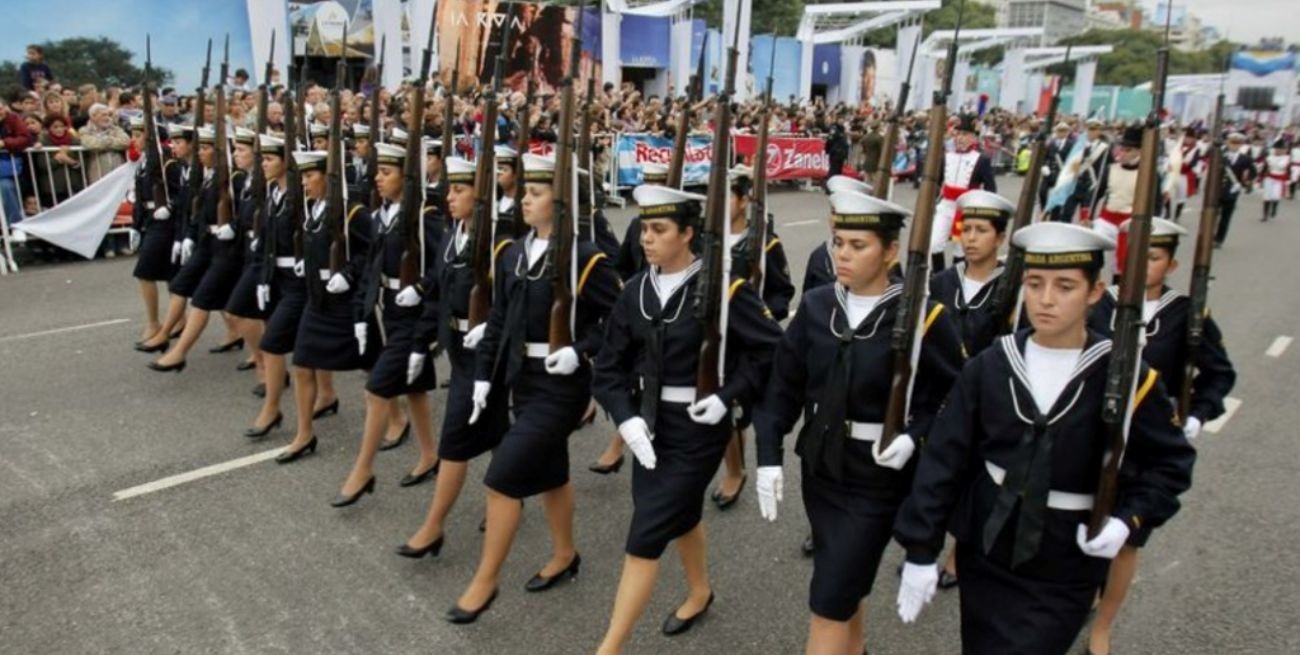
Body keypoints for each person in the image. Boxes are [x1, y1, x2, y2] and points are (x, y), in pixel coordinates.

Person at [893, 222, 1197, 654]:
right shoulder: (991, 365)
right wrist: (921, 548)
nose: (1046, 299)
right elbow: (944, 459)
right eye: (1035, 284)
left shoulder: (1125, 376)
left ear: (1096, 292)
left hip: (1065, 559)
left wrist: (1128, 519)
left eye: (1065, 286)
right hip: (988, 546)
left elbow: (1171, 464)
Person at [754, 189, 962, 655]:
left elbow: (955, 398)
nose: (842, 254)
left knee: (827, 603)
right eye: (838, 242)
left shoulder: (923, 318)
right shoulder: (818, 306)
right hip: (820, 467)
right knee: (840, 577)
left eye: (857, 245)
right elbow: (782, 387)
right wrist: (768, 456)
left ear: (890, 251)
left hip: (877, 479)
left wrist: (915, 435)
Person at [591, 183, 782, 653]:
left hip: (698, 432)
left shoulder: (724, 290)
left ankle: (609, 647)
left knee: (645, 534)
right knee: (679, 514)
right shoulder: (636, 289)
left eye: (659, 229)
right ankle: (699, 591)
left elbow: (770, 350)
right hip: (648, 428)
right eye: (643, 229)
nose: (645, 238)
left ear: (689, 233)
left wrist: (728, 395)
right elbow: (609, 365)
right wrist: (625, 419)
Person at [446, 153, 619, 624]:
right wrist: (484, 374)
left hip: (562, 388)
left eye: (536, 193)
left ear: (561, 205)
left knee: (502, 479)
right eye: (525, 192)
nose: (524, 199)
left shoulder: (585, 258)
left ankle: (485, 581)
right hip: (523, 381)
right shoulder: (515, 252)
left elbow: (619, 322)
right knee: (552, 473)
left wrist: (582, 348)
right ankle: (565, 554)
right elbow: (500, 317)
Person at [1083, 217, 1236, 655]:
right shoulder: (1101, 303)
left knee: (1127, 535)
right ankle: (1085, 593)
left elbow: (1219, 373)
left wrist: (1198, 415)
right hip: (1092, 432)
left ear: (1171, 264)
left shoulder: (1186, 313)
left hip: (1146, 443)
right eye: (1136, 255)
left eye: (1153, 258)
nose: (1141, 265)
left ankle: (1104, 624)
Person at [398, 155, 513, 559]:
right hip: (460, 352)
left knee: (454, 441)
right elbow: (441, 295)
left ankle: (432, 527)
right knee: (498, 427)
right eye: (450, 189)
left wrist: (492, 325)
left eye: (460, 190)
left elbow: (516, 303)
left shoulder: (502, 243)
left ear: (480, 197)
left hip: (490, 354)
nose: (449, 197)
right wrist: (420, 342)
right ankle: (506, 494)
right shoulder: (453, 235)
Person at [333, 141, 442, 506]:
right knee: (414, 389)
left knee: (376, 390)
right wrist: (362, 313)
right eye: (377, 171)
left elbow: (446, 264)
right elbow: (372, 264)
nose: (377, 178)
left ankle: (363, 470)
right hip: (391, 311)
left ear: (405, 178)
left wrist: (422, 287)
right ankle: (429, 454)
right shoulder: (385, 214)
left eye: (386, 172)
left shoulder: (423, 215)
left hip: (416, 316)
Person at [277, 148, 377, 466]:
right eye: (302, 177)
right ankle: (304, 434)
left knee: (373, 366)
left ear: (328, 177)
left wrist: (348, 274)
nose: (304, 183)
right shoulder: (314, 209)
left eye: (309, 176)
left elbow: (372, 252)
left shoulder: (351, 212)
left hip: (347, 303)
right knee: (302, 363)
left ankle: (398, 418)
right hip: (318, 300)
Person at [711, 164, 795, 509]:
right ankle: (732, 464)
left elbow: (782, 292)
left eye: (726, 196)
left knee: (735, 406)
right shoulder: (708, 240)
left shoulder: (765, 244)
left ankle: (735, 471)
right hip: (714, 336)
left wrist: (762, 314)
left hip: (747, 338)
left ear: (744, 200)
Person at [148, 126, 246, 372]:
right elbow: (199, 210)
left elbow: (250, 212)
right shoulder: (209, 175)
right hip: (206, 241)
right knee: (180, 285)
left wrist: (234, 226)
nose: (199, 152)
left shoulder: (235, 179)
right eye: (199, 147)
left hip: (227, 247)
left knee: (204, 300)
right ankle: (164, 333)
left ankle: (178, 351)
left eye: (205, 148)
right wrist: (189, 236)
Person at [929, 190, 1016, 357]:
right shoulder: (941, 283)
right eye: (966, 229)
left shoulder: (1011, 288)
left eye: (981, 230)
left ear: (1000, 238)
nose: (971, 238)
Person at [223, 128, 274, 401]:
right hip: (246, 248)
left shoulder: (265, 182)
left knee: (238, 311)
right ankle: (264, 362)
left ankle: (266, 366)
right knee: (251, 313)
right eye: (235, 149)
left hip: (264, 252)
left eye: (241, 150)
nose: (236, 155)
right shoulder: (247, 179)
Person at [129, 116, 182, 345]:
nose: (134, 139)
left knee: (145, 272)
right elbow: (141, 197)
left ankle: (154, 323)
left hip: (165, 222)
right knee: (170, 274)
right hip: (151, 220)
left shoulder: (166, 162)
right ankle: (179, 320)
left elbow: (182, 193)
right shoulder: (144, 162)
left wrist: (169, 206)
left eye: (138, 134)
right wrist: (136, 226)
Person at [933, 114, 996, 271]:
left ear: (974, 138)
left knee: (960, 248)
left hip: (966, 209)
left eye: (965, 134)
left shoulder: (981, 160)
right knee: (934, 244)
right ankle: (939, 275)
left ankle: (956, 279)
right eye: (959, 134)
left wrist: (984, 212)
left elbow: (991, 189)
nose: (961, 138)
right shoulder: (946, 157)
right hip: (946, 206)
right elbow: (937, 182)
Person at [1216, 132, 1256, 247]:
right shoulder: (1220, 155)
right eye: (1232, 142)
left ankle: (1219, 239)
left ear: (1241, 145)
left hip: (1232, 190)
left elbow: (1253, 172)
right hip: (1217, 189)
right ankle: (1209, 235)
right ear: (1227, 143)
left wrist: (1246, 181)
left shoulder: (1245, 159)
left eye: (1237, 143)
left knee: (1225, 217)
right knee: (1212, 214)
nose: (1234, 145)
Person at [1260, 138, 1289, 222]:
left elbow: (1288, 170)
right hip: (1269, 178)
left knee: (1275, 196)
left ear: (1284, 150)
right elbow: (1264, 168)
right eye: (1277, 149)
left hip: (1280, 179)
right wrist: (1261, 179)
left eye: (1281, 149)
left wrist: (1287, 181)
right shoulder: (1269, 158)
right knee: (1267, 196)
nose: (1279, 151)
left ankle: (1274, 208)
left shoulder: (1287, 158)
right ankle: (1265, 215)